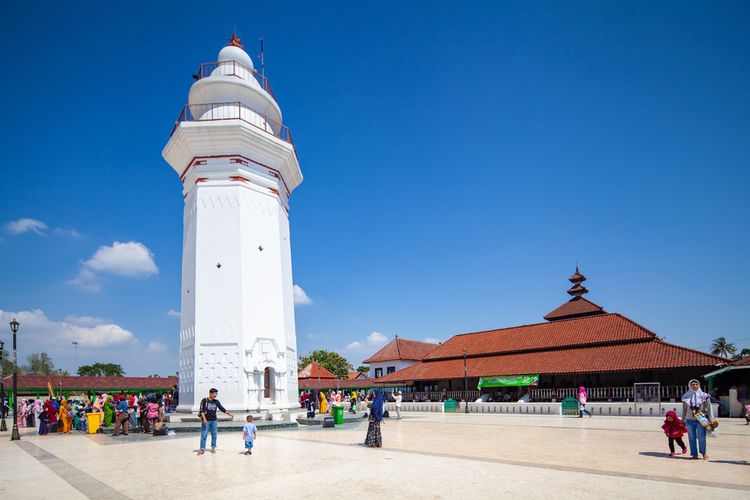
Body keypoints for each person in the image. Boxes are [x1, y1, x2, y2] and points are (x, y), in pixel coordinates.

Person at [682, 379, 715, 460]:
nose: (694, 386)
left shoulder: (704, 396)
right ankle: (694, 454)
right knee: (691, 437)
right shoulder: (686, 396)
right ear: (690, 385)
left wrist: (711, 419)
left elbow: (709, 408)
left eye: (696, 384)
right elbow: (684, 409)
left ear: (699, 385)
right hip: (689, 420)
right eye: (692, 384)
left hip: (701, 419)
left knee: (701, 437)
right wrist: (682, 420)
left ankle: (703, 453)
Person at [198, 388, 234, 455]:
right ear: (210, 393)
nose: (215, 395)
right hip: (206, 420)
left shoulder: (216, 401)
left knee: (214, 434)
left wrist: (228, 413)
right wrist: (204, 419)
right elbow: (201, 411)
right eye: (214, 393)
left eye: (216, 393)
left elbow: (221, 408)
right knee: (204, 435)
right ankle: (202, 449)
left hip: (214, 420)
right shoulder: (204, 400)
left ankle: (213, 447)